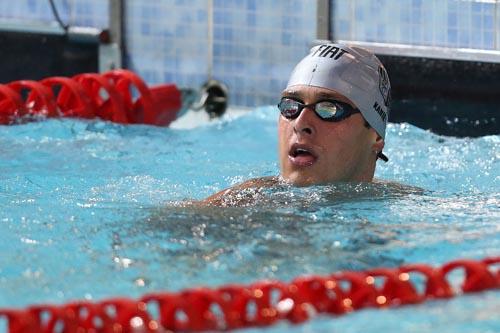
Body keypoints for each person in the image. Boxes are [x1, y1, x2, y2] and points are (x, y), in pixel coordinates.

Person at [202, 43, 392, 206]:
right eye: (291, 106)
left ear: (375, 135)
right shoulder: (239, 206)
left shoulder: (406, 208)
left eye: (329, 108)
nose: (300, 123)